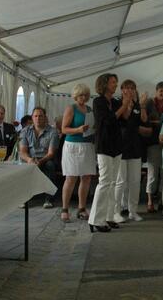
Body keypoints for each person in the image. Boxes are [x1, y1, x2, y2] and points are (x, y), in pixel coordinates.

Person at [88, 74, 130, 232]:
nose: (115, 85)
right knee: (105, 182)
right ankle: (96, 220)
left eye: (116, 82)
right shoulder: (98, 101)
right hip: (104, 145)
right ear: (104, 84)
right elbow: (108, 120)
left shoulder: (116, 101)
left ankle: (109, 216)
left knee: (112, 182)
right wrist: (124, 106)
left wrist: (128, 103)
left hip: (116, 145)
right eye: (113, 82)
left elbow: (124, 120)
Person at [115, 79, 150, 223]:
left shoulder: (137, 104)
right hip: (121, 146)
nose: (129, 90)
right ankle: (116, 211)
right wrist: (127, 103)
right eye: (127, 88)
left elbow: (144, 120)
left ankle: (133, 211)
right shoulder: (118, 103)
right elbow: (125, 117)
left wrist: (142, 105)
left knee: (135, 181)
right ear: (122, 90)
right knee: (121, 181)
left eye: (132, 88)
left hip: (135, 146)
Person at [60, 84, 97, 223]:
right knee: (71, 177)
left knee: (86, 177)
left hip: (87, 145)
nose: (83, 97)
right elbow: (64, 129)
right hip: (73, 146)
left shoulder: (89, 110)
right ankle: (65, 209)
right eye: (81, 95)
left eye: (85, 95)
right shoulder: (71, 108)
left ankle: (82, 208)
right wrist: (78, 130)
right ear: (76, 96)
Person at [19, 107, 60, 208]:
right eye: (35, 116)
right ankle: (23, 198)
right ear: (32, 118)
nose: (38, 118)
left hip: (46, 158)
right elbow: (23, 152)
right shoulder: (25, 131)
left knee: (50, 165)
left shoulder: (53, 132)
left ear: (45, 117)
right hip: (30, 158)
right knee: (22, 165)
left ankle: (48, 199)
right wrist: (29, 160)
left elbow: (51, 153)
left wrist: (40, 161)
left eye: (40, 116)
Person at [144, 81, 163, 212]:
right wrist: (158, 122)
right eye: (161, 90)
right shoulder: (149, 103)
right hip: (153, 142)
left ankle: (161, 199)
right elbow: (145, 120)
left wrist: (157, 122)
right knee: (153, 172)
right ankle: (149, 200)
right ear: (156, 91)